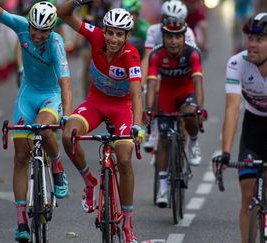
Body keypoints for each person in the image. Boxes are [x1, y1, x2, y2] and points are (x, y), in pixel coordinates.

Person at [0, 0, 72, 241]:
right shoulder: (21, 26)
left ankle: (57, 166)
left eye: (44, 31)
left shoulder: (56, 43)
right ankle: (22, 221)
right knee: (21, 156)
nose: (37, 35)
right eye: (35, 29)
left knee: (43, 129)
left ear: (52, 29)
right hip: (28, 94)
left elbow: (65, 84)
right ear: (29, 23)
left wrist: (66, 117)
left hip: (50, 96)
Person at [212, 13, 267, 243]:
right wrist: (225, 152)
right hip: (254, 125)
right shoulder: (237, 63)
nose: (252, 44)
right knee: (247, 195)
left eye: (260, 39)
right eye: (250, 38)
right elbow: (232, 110)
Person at [58, 1, 144, 242]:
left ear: (127, 35)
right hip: (95, 103)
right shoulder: (95, 36)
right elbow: (63, 14)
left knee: (124, 159)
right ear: (104, 30)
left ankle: (127, 223)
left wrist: (137, 126)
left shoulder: (131, 55)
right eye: (110, 32)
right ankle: (89, 181)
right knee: (68, 136)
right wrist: (76, 1)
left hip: (122, 108)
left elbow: (137, 94)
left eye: (119, 34)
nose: (113, 39)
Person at [144, 16, 206, 207]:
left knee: (190, 112)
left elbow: (197, 83)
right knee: (163, 139)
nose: (173, 41)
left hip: (186, 91)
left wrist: (199, 109)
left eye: (177, 37)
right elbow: (152, 83)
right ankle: (163, 186)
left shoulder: (192, 53)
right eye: (169, 36)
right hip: (166, 95)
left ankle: (193, 142)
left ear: (183, 37)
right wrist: (148, 110)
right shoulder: (156, 55)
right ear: (163, 37)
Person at [141, 0, 197, 153]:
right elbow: (147, 57)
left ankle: (185, 143)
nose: (170, 22)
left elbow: (193, 62)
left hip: (180, 71)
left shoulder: (188, 33)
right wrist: (141, 81)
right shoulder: (153, 31)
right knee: (152, 87)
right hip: (160, 68)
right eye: (166, 18)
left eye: (176, 19)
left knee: (187, 112)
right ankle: (151, 130)